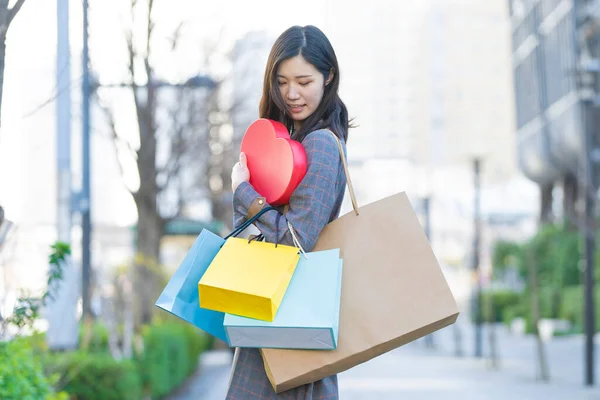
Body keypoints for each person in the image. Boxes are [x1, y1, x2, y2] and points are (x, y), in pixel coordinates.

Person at [227, 25, 352, 399]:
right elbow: (253, 230)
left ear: (328, 77)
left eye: (303, 81)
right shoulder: (286, 140)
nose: (291, 94)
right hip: (273, 310)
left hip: (293, 319)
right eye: (281, 82)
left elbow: (295, 241)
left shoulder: (322, 144)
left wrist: (242, 191)